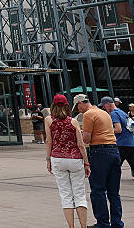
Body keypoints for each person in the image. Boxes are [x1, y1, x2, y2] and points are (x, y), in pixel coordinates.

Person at [75, 94, 122, 228]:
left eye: (77, 107)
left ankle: (103, 223)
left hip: (99, 152)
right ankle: (117, 223)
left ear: (81, 103)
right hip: (114, 150)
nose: (78, 110)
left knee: (98, 189)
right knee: (114, 192)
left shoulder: (88, 114)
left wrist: (80, 132)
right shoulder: (103, 113)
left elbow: (87, 139)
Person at [45, 94, 90, 228]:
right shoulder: (73, 121)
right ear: (67, 106)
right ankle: (83, 226)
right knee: (80, 195)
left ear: (53, 106)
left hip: (57, 158)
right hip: (75, 159)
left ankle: (71, 226)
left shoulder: (48, 120)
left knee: (65, 195)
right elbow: (81, 144)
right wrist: (86, 162)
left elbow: (49, 141)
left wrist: (48, 160)